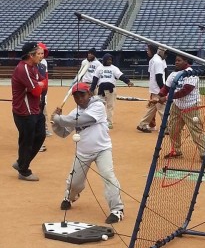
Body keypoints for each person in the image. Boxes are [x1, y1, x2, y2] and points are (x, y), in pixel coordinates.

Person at [51, 82, 124, 224]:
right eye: (76, 96)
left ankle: (117, 210)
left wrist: (60, 119)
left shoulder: (97, 106)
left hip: (102, 149)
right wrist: (55, 123)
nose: (79, 98)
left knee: (108, 176)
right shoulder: (74, 112)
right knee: (74, 183)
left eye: (82, 95)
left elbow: (82, 120)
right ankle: (70, 196)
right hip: (83, 153)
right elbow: (64, 133)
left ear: (89, 94)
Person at [158, 54, 205, 164]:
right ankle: (176, 151)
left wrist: (166, 98)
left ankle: (204, 153)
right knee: (173, 129)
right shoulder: (173, 74)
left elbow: (185, 91)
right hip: (177, 106)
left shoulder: (192, 74)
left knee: (196, 131)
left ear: (186, 62)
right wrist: (159, 96)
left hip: (191, 106)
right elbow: (166, 87)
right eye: (176, 60)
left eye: (179, 60)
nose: (176, 62)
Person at [11, 42, 47, 181]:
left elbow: (43, 83)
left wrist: (40, 84)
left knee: (40, 135)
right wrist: (39, 85)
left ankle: (21, 162)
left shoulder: (33, 67)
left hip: (34, 109)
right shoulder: (24, 69)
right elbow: (37, 90)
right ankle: (24, 170)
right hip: (25, 112)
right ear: (30, 56)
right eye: (38, 53)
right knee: (27, 141)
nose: (41, 56)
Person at [90, 53, 134, 129]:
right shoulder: (99, 68)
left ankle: (109, 122)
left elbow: (121, 76)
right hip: (101, 91)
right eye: (108, 60)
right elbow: (95, 80)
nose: (110, 61)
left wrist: (128, 82)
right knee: (100, 106)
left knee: (110, 106)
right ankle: (100, 121)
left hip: (111, 90)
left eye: (111, 60)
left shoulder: (114, 68)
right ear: (104, 60)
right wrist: (91, 90)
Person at [137, 47, 168, 133]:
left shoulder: (155, 60)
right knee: (162, 109)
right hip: (158, 89)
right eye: (165, 53)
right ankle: (167, 128)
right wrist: (163, 89)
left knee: (152, 109)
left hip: (154, 88)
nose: (166, 55)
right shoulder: (158, 61)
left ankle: (142, 125)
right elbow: (158, 77)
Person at [37, 42, 52, 152]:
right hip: (34, 95)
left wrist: (44, 93)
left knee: (41, 115)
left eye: (43, 53)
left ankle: (44, 130)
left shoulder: (43, 63)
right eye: (40, 53)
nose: (42, 55)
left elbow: (45, 78)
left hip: (41, 94)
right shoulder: (30, 66)